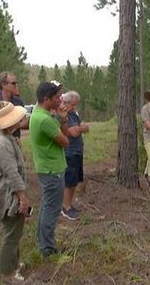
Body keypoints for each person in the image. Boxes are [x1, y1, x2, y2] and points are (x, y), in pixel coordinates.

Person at [0, 101, 29, 283]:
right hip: (7, 195)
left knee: (15, 231)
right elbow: (11, 173)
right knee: (12, 235)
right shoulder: (2, 142)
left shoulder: (2, 136)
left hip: (6, 192)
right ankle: (7, 272)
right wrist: (22, 197)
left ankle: (14, 263)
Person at [30, 81, 69, 257]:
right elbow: (65, 141)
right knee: (51, 209)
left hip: (48, 168)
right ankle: (47, 248)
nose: (59, 99)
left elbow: (63, 134)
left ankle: (44, 242)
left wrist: (61, 118)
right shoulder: (45, 119)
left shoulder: (40, 113)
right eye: (56, 97)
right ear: (46, 99)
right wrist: (60, 119)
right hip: (52, 171)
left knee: (47, 207)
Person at [61, 91, 89, 220]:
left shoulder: (74, 115)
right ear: (65, 103)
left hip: (77, 151)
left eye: (76, 105)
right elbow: (72, 132)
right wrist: (80, 128)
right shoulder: (63, 116)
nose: (74, 107)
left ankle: (69, 205)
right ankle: (66, 207)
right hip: (69, 152)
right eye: (73, 105)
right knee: (69, 181)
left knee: (74, 181)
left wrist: (80, 128)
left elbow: (85, 128)